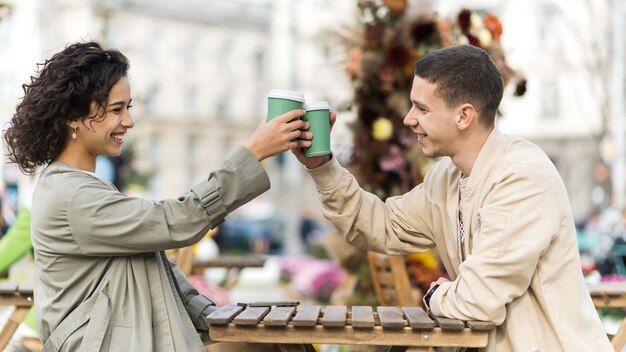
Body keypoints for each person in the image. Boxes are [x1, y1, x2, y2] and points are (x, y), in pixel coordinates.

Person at [293, 45, 612, 351]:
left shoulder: (522, 179)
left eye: (422, 107)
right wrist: (323, 168)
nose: (408, 118)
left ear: (464, 116)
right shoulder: (445, 178)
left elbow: (476, 302)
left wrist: (435, 295)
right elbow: (381, 225)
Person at [3, 41, 313, 352]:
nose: (128, 121)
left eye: (129, 108)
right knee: (283, 344)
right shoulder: (69, 194)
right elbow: (174, 221)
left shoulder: (81, 187)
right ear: (74, 116)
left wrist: (218, 318)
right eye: (116, 109)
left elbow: (157, 266)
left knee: (283, 339)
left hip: (129, 341)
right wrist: (253, 152)